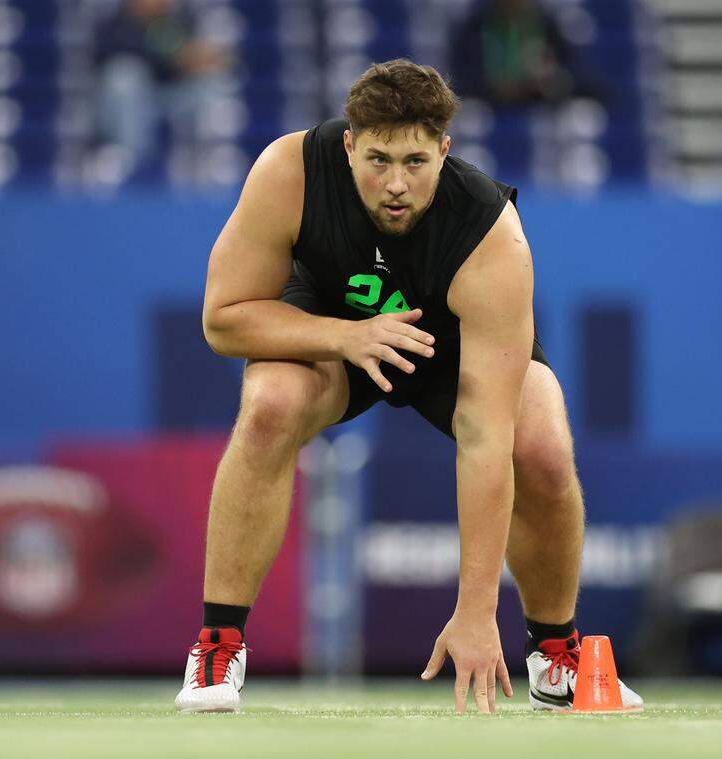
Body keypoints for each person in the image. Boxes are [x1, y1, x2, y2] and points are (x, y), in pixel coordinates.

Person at [174, 59, 643, 715]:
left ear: (444, 149)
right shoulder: (290, 172)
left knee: (540, 443)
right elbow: (223, 320)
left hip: (446, 348)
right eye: (378, 160)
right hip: (329, 329)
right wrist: (343, 336)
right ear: (348, 145)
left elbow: (484, 435)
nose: (396, 183)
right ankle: (217, 644)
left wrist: (477, 610)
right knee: (269, 407)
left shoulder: (489, 233)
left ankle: (556, 656)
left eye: (416, 162)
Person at [94, 0, 228, 168]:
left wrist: (197, 59)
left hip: (171, 96)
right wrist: (172, 56)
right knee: (124, 77)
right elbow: (109, 57)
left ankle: (207, 161)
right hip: (134, 102)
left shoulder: (179, 19)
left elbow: (194, 57)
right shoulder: (115, 23)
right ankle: (133, 162)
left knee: (210, 83)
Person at [450, 0, 603, 106]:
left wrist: (552, 77)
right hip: (488, 104)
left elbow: (575, 75)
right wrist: (495, 86)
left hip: (538, 102)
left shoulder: (546, 25)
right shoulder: (475, 28)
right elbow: (460, 77)